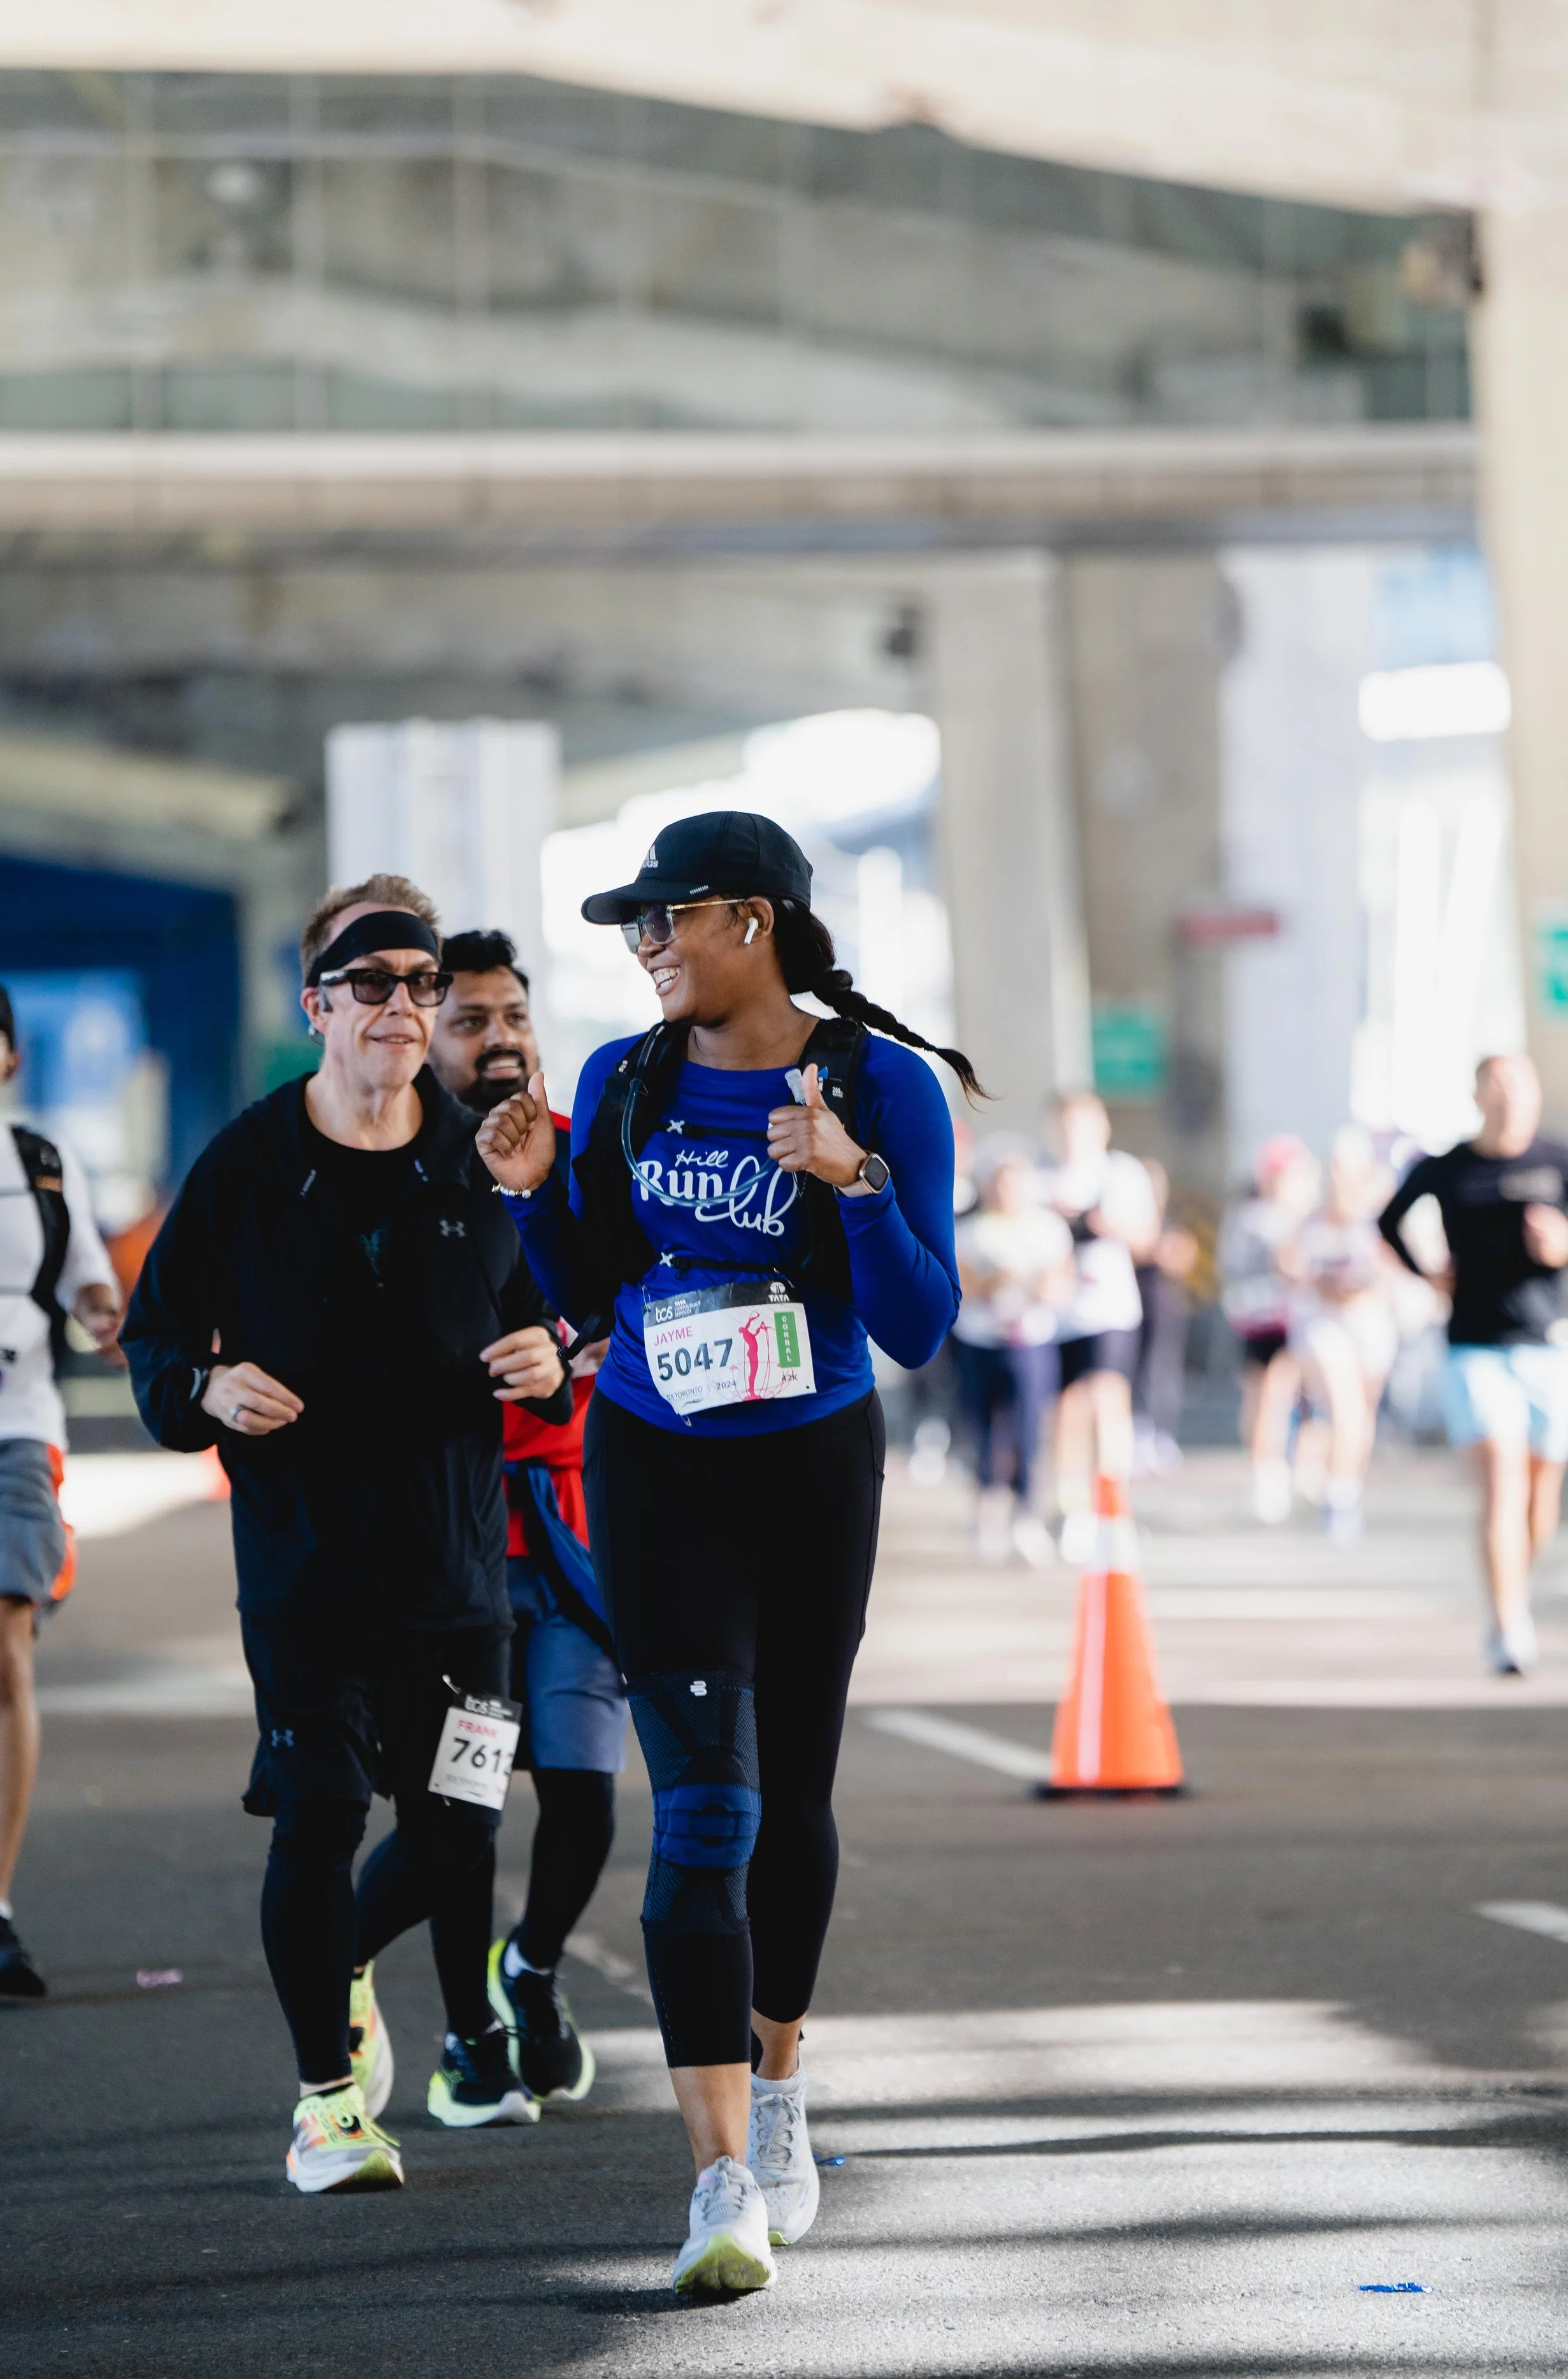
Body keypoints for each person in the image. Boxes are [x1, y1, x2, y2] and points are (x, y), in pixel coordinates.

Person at [474, 810, 973, 2297]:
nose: (644, 948)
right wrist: (525, 1192)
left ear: (750, 919)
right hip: (655, 1457)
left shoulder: (879, 1080)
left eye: (664, 920)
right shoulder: (629, 1077)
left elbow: (917, 1323)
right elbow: (588, 1284)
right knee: (706, 1806)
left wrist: (851, 1178)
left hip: (813, 1462)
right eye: (631, 928)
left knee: (797, 1796)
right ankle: (711, 2178)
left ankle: (776, 2081)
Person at [122, 878, 573, 2194]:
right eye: (372, 985)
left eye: (421, 987)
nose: (401, 1008)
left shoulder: (486, 1158)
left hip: (457, 1571)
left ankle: (362, 1975)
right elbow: (156, 1337)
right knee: (318, 1815)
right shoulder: (249, 1164)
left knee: (456, 1833)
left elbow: (565, 1308)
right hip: (306, 1564)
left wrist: (551, 1353)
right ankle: (327, 2101)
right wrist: (200, 1391)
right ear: (317, 1005)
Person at [429, 928, 624, 2104]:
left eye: (511, 1018)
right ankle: (465, 2031)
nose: (496, 1040)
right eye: (469, 1021)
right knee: (464, 1804)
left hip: (576, 1533)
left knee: (587, 1796)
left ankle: (534, 1963)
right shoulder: (397, 1167)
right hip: (455, 1539)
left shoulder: (583, 1156)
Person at [1379, 1052, 1568, 1675]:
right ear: (1477, 1096)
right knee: (1501, 1479)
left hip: (1549, 1345)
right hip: (1474, 1345)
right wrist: (1427, 1273)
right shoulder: (1447, 1169)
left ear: (1533, 1093)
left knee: (1538, 1498)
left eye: (1518, 1085)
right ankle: (1506, 1623)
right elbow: (1388, 1222)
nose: (1507, 1098)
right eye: (1495, 1086)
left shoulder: (1560, 1160)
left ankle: (1514, 1589)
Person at [0, 984, 122, 1999]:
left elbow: (89, 1284)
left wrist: (107, 1308)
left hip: (16, 1429)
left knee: (8, 1647)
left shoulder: (41, 1165)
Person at [1042, 1092, 1160, 1560]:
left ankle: (1114, 1511)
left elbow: (1148, 1238)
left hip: (1109, 1308)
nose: (1073, 1135)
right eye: (1065, 1126)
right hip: (1056, 1315)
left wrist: (1104, 1225)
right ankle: (1072, 1508)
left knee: (1108, 1399)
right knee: (1067, 1410)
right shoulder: (1039, 1178)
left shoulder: (1121, 1173)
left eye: (1083, 1125)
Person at [951, 1139, 1071, 1564]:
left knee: (1028, 1430)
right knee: (982, 1429)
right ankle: (986, 1511)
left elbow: (1059, 1284)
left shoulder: (1047, 1228)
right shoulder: (969, 1230)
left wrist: (1027, 1284)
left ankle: (1026, 1514)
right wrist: (1000, 1282)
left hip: (1031, 1341)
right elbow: (966, 1286)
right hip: (980, 1340)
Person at [1280, 1126, 1399, 1543]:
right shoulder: (1310, 1216)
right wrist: (1318, 1280)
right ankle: (1336, 1497)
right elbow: (1288, 1265)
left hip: (1367, 1327)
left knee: (1358, 1416)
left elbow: (1390, 1271)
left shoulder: (1378, 1217)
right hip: (1322, 1326)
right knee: (1342, 1407)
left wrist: (1359, 1282)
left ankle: (1344, 1486)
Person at [1219, 1134, 1320, 1524]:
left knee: (1309, 1401)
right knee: (1267, 1397)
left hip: (1305, 1321)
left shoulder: (1310, 1216)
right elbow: (1235, 1269)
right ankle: (1268, 1473)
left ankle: (1308, 1471)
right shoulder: (1252, 1217)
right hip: (1263, 1320)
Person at [1131, 1158, 1199, 1477]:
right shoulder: (1127, 1219)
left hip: (1162, 1302)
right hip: (1132, 1300)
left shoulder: (1167, 1221)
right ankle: (1139, 1430)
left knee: (1162, 1368)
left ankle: (1161, 1432)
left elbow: (1181, 1253)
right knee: (1134, 1367)